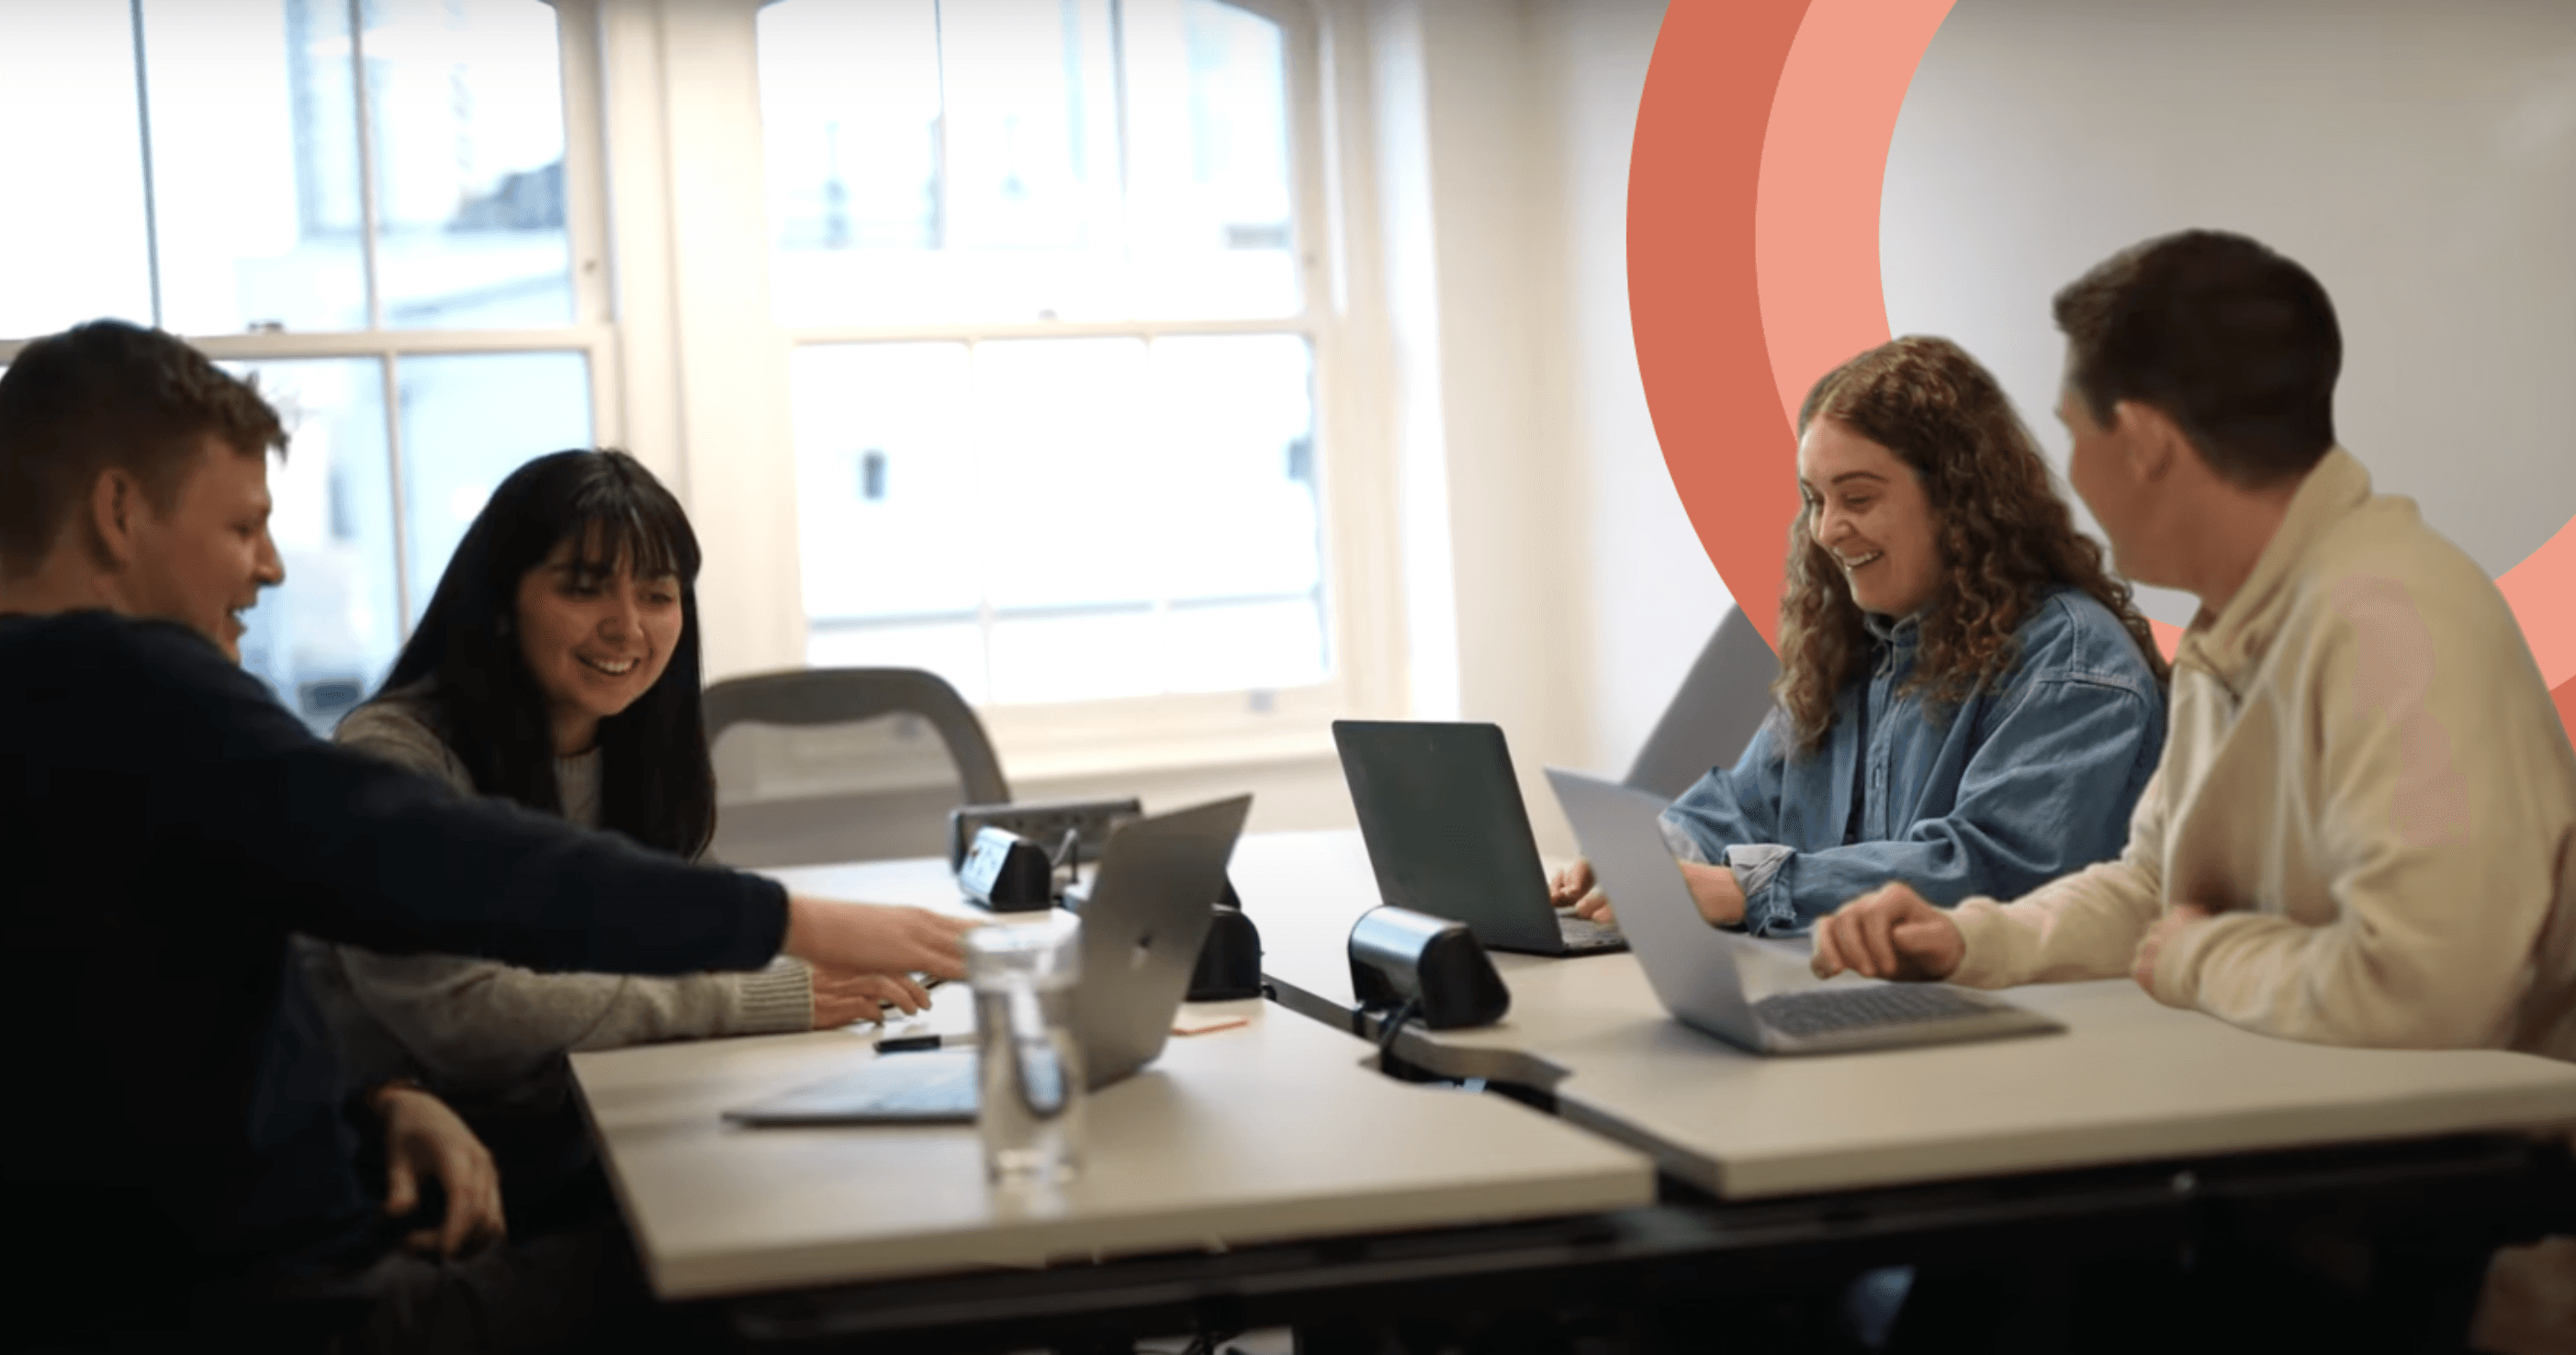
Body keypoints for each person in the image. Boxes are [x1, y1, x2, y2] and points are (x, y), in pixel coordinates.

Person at [0, 319, 978, 1351]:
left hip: (277, 1243)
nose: (275, 567)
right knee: (790, 1257)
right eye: (244, 527)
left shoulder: (62, 720)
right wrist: (788, 922)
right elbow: (452, 865)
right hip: (299, 1307)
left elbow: (156, 1034)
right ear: (117, 512)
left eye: (657, 594)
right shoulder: (125, 690)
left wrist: (376, 1100)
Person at [1805, 231, 2575, 1351]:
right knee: (1974, 1276)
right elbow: (2154, 881)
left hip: (2448, 1248)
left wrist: (2197, 954)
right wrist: (1969, 943)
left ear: (2150, 446)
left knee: (1983, 1288)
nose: (2068, 474)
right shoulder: (2248, 620)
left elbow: (2428, 997)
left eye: (2076, 435)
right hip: (2315, 1187)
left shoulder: (2392, 624)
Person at [302, 451, 925, 1108]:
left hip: (590, 1111)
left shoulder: (637, 739)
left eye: (657, 595)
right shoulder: (396, 757)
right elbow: (465, 1016)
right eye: (583, 588)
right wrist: (756, 997)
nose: (627, 626)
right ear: (501, 602)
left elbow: (694, 934)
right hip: (434, 1143)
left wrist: (812, 970)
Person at [1554, 335, 2169, 935]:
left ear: (1959, 500)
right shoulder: (1855, 650)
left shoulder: (2073, 662)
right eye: (1814, 500)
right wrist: (1642, 861)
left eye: (1856, 497)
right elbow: (1738, 809)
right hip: (1869, 999)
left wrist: (1753, 888)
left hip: (2026, 1023)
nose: (1825, 530)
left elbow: (1996, 869)